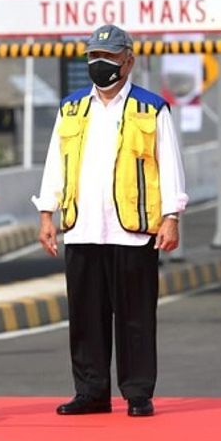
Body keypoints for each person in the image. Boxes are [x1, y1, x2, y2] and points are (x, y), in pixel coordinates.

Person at [34, 24, 187, 417]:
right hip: (83, 227)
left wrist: (171, 216)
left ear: (129, 60)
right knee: (86, 316)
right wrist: (46, 213)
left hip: (132, 229)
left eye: (109, 57)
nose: (100, 64)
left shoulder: (150, 107)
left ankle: (138, 393)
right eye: (93, 57)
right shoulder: (71, 109)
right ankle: (91, 392)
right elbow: (56, 162)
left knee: (135, 316)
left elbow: (169, 164)